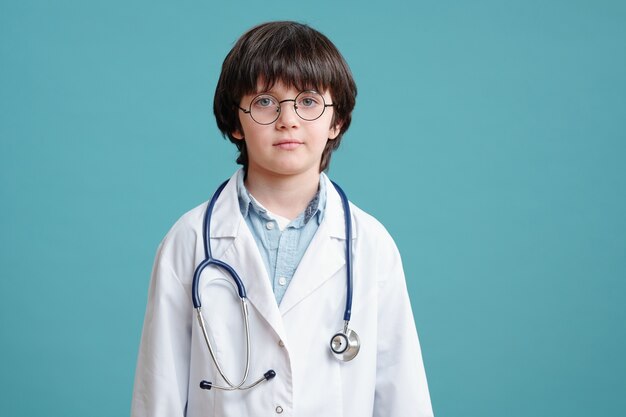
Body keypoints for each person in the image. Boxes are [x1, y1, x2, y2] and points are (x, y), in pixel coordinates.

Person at [131, 21, 434, 417]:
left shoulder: (372, 245)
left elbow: (402, 396)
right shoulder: (188, 241)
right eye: (264, 102)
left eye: (308, 101)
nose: (287, 119)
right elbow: (159, 395)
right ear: (236, 122)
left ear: (336, 121)